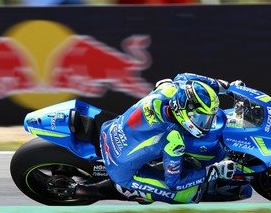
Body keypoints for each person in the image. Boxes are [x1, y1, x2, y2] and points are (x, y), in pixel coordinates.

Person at [100, 73, 237, 204]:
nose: (206, 123)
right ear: (183, 110)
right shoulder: (173, 139)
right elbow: (175, 183)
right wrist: (213, 171)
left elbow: (183, 77)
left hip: (108, 130)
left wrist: (220, 86)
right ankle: (122, 189)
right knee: (191, 195)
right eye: (201, 118)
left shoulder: (167, 90)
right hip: (119, 170)